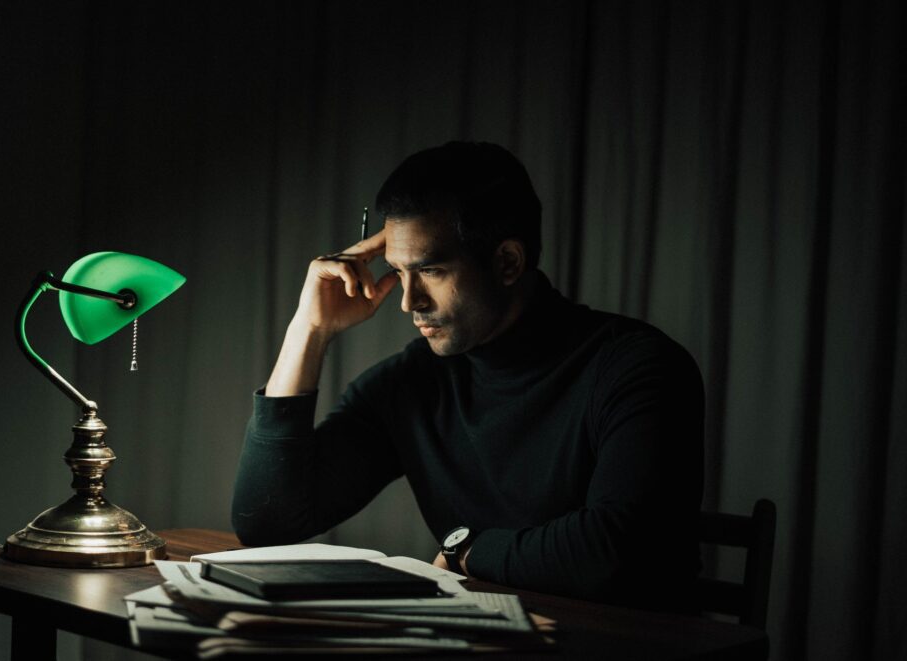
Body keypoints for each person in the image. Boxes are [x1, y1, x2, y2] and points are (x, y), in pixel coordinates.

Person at [232, 141, 704, 611]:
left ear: (507, 262)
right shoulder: (415, 384)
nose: (407, 301)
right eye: (398, 271)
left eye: (431, 270)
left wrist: (465, 548)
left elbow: (616, 554)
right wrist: (309, 329)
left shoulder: (639, 367)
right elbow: (267, 520)